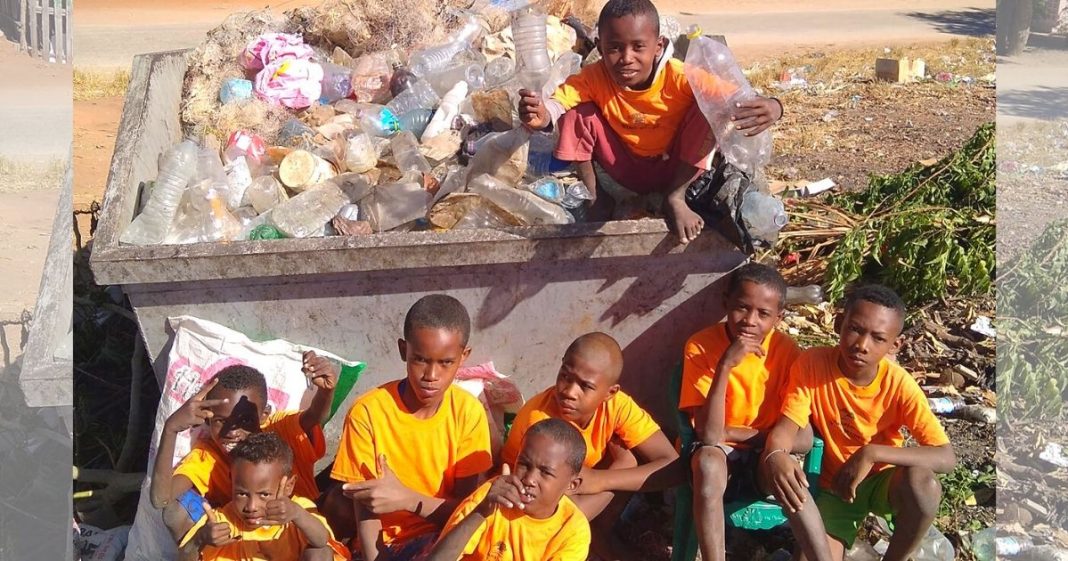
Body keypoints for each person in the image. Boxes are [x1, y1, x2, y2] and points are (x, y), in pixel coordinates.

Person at [517, 0, 783, 243]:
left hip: (675, 167)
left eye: (638, 46)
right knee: (578, 112)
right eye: (614, 48)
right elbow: (561, 101)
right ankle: (596, 198)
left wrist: (774, 106)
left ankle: (675, 198)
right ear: (599, 47)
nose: (626, 58)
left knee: (706, 109)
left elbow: (734, 96)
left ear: (658, 46)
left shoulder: (681, 76)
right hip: (624, 167)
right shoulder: (594, 76)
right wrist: (543, 115)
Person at [762, 285, 956, 561]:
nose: (862, 345)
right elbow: (787, 426)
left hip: (882, 484)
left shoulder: (899, 384)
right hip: (834, 490)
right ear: (839, 324)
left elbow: (946, 457)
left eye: (878, 338)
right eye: (855, 329)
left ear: (894, 345)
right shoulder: (813, 364)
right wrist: (776, 454)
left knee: (924, 484)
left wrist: (871, 453)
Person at [322, 294, 493, 561]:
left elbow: (465, 513)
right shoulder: (368, 412)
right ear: (404, 350)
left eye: (445, 362)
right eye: (420, 359)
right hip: (385, 545)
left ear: (463, 356)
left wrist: (408, 500)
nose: (431, 376)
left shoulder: (468, 413)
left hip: (444, 538)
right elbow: (365, 511)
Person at [680, 263, 819, 561]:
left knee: (788, 475)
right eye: (742, 308)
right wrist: (725, 366)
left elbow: (804, 438)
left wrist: (742, 435)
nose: (750, 321)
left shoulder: (788, 353)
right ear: (725, 302)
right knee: (707, 462)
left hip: (765, 456)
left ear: (778, 318)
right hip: (719, 455)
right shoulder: (701, 346)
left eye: (763, 314)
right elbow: (709, 436)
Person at [500, 332, 679, 561]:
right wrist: (622, 464)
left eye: (585, 386)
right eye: (565, 376)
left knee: (629, 463)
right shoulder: (541, 419)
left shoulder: (618, 407)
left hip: (579, 490)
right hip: (531, 503)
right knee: (627, 460)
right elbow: (547, 507)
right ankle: (597, 539)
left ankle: (599, 535)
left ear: (610, 393)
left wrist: (599, 479)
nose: (568, 392)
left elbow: (673, 466)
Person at [152, 357, 338, 540]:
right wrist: (171, 428)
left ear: (264, 415)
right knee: (175, 513)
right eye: (221, 421)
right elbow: (162, 500)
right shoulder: (207, 458)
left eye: (245, 420)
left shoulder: (279, 429)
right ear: (207, 420)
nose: (232, 432)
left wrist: (326, 391)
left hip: (304, 533)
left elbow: (315, 416)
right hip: (249, 543)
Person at [427, 418, 592, 561]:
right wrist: (481, 511)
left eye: (545, 472)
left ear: (572, 485)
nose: (529, 479)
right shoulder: (492, 496)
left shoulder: (573, 531)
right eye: (524, 465)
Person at [177, 432, 349, 561]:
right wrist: (201, 539)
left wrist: (297, 514)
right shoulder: (223, 522)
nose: (251, 506)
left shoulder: (295, 511)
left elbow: (321, 540)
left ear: (288, 486)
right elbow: (184, 556)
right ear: (232, 482)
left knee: (320, 553)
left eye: (264, 494)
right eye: (242, 493)